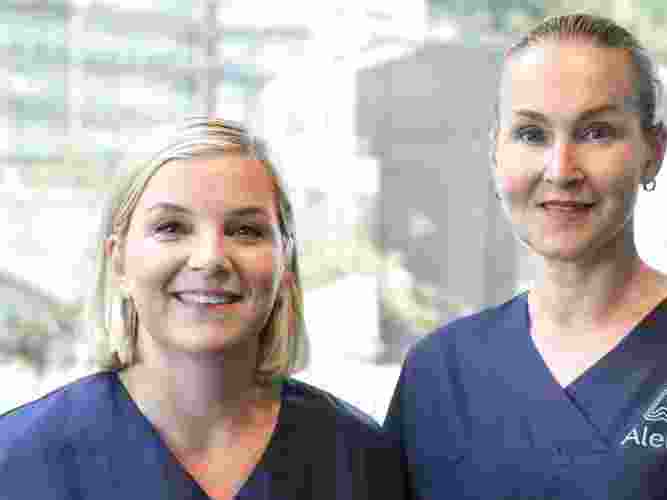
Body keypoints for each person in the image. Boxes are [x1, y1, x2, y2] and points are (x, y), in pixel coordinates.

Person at [0, 118, 404, 500]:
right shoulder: (18, 459)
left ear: (285, 264)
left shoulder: (359, 458)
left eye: (245, 230)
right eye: (171, 228)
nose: (210, 258)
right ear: (118, 261)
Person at [385, 13, 667, 500]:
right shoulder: (439, 375)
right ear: (496, 153)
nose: (561, 170)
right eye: (532, 135)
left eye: (597, 132)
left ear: (653, 152)